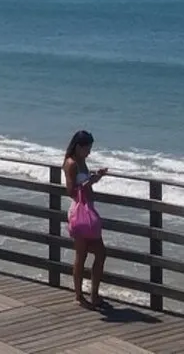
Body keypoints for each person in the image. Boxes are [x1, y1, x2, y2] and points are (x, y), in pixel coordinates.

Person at [64, 130, 109, 309]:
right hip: (79, 211)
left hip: (88, 210)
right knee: (81, 255)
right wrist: (89, 181)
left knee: (100, 253)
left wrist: (95, 177)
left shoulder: (82, 161)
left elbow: (85, 184)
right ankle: (79, 295)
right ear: (78, 147)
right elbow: (71, 190)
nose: (89, 152)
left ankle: (93, 294)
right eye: (87, 149)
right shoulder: (71, 164)